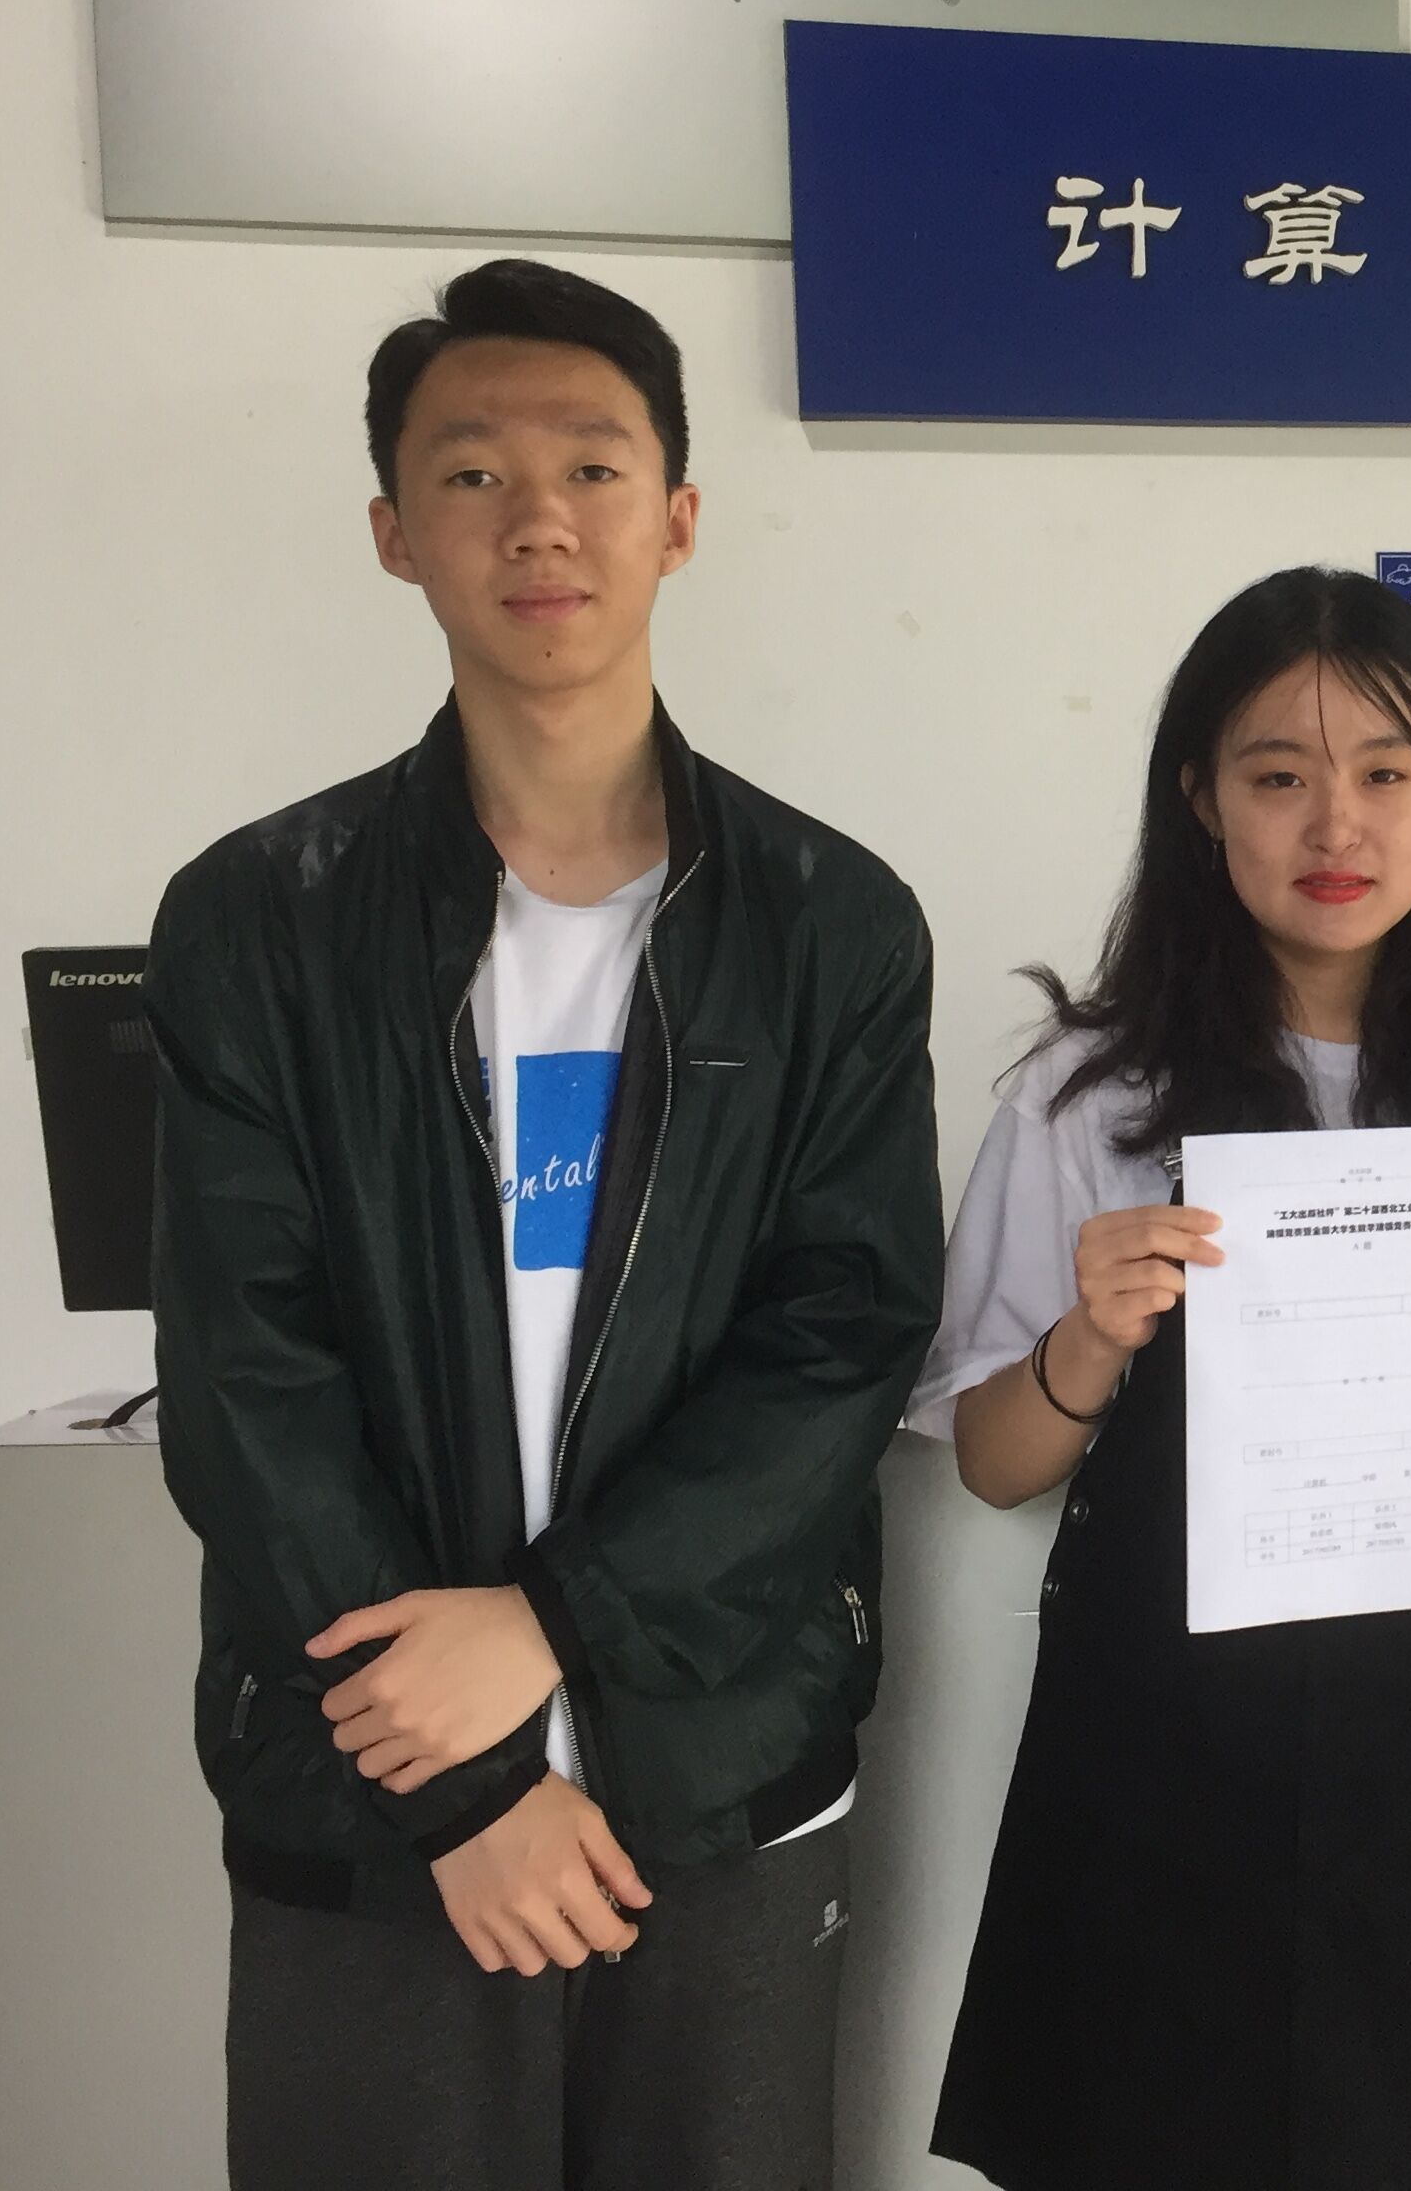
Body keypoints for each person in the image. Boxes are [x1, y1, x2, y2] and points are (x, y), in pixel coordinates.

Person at [147, 258, 943, 2191]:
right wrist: (467, 1782)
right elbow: (247, 1378)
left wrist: (558, 1625)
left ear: (678, 517)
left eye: (593, 466)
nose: (539, 520)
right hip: (375, 1784)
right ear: (393, 533)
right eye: (472, 474)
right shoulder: (261, 920)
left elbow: (841, 1335)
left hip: (716, 1761)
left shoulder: (829, 924)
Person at [909, 565, 1411, 2191]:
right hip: (1153, 1756)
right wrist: (1086, 1340)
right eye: (1277, 776)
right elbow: (992, 1460)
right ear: (1200, 799)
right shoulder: (1086, 1093)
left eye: (1385, 771)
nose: (1337, 825)